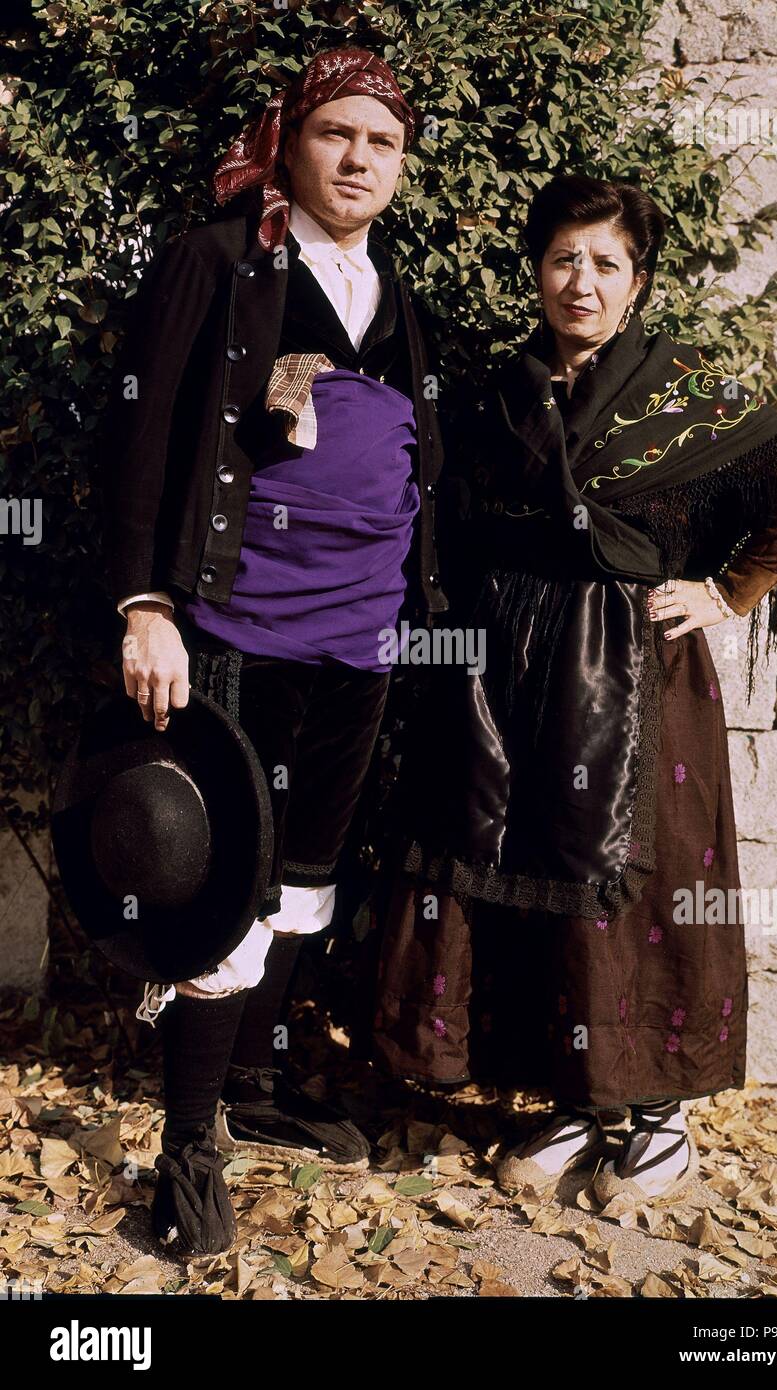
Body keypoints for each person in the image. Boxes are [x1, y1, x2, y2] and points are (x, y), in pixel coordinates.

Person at [369, 173, 777, 1206]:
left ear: (637, 283)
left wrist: (730, 591)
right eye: (563, 259)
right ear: (537, 270)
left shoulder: (680, 388)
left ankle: (661, 1118)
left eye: (604, 263)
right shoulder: (501, 394)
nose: (580, 281)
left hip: (639, 676)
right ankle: (580, 1096)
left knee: (640, 886)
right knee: (531, 873)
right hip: (511, 670)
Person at [99, 46, 448, 1253]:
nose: (358, 160)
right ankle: (186, 1146)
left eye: (383, 144)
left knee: (305, 875)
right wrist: (147, 605)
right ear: (293, 141)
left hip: (360, 641)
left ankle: (254, 1083)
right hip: (239, 629)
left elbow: (355, 427)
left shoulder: (388, 290)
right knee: (224, 877)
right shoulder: (216, 262)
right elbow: (143, 435)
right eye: (337, 135)